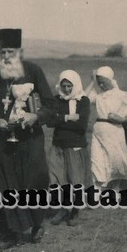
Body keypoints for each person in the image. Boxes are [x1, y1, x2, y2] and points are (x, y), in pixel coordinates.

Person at [0, 28, 56, 251]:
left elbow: (52, 107)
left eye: (10, 51)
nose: (6, 55)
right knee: (2, 183)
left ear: (20, 52)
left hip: (30, 139)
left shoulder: (34, 71)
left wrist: (36, 116)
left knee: (32, 182)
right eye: (2, 51)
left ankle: (36, 223)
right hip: (2, 139)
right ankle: (8, 233)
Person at [47, 70, 91, 227]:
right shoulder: (56, 100)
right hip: (58, 144)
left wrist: (60, 120)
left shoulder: (83, 101)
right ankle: (64, 208)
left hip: (75, 145)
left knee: (75, 179)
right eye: (63, 86)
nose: (66, 89)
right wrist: (67, 118)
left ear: (76, 85)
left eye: (69, 86)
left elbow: (81, 125)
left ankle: (75, 211)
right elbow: (49, 121)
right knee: (57, 177)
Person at [84, 66, 127, 189]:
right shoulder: (98, 96)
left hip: (114, 130)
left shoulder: (122, 95)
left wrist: (122, 119)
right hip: (99, 131)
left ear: (111, 80)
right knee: (97, 160)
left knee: (115, 161)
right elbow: (84, 98)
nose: (101, 85)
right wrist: (92, 82)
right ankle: (97, 191)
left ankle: (115, 190)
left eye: (103, 82)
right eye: (99, 82)